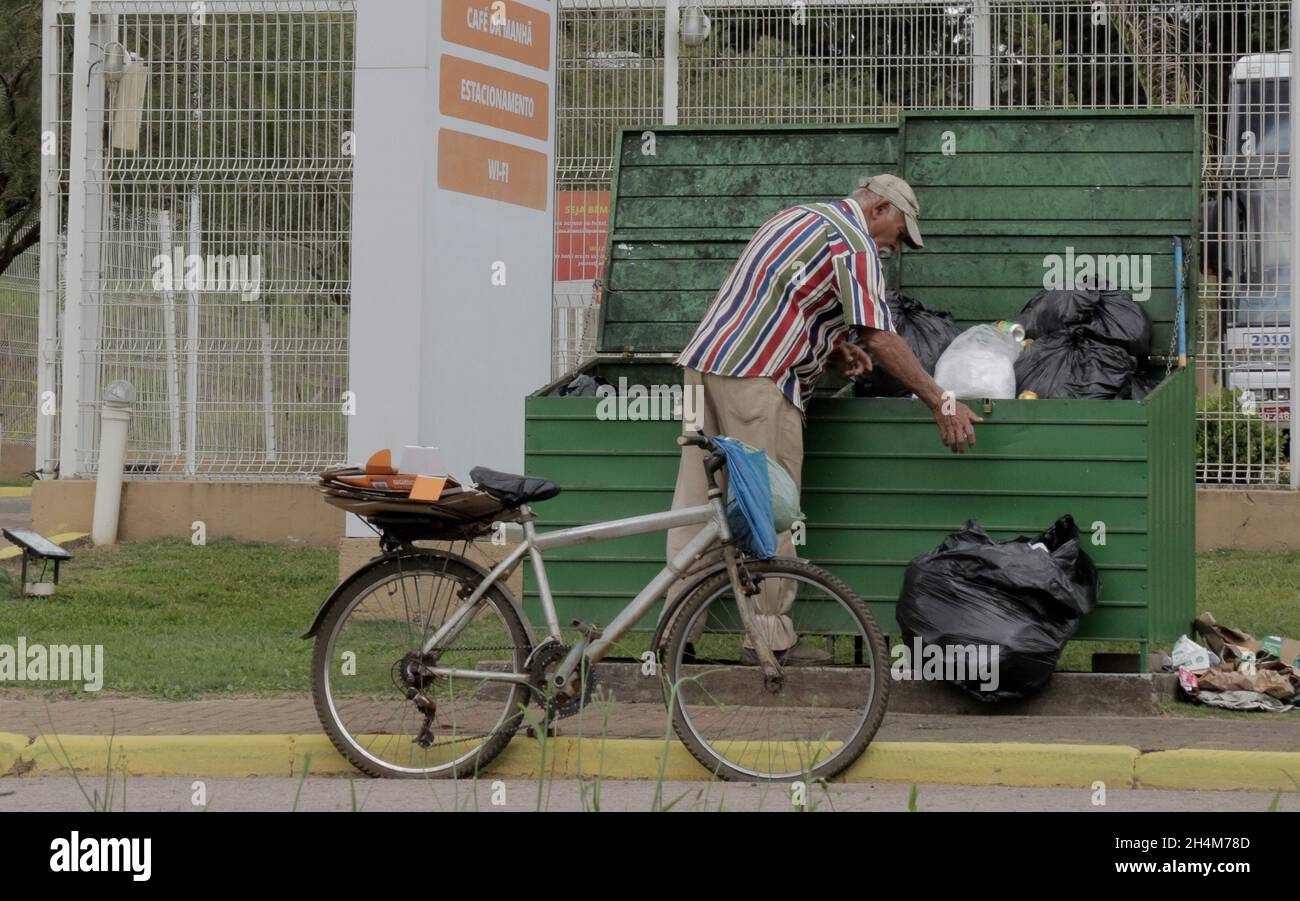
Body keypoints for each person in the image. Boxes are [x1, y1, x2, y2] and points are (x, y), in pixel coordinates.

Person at [665, 174, 984, 665]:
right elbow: (881, 337)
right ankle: (769, 639)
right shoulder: (855, 244)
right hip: (758, 380)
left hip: (701, 368)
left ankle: (674, 636)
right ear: (879, 208)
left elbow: (776, 300)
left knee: (696, 504)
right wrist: (940, 400)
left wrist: (832, 349)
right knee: (768, 505)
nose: (896, 248)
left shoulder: (796, 217)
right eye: (899, 233)